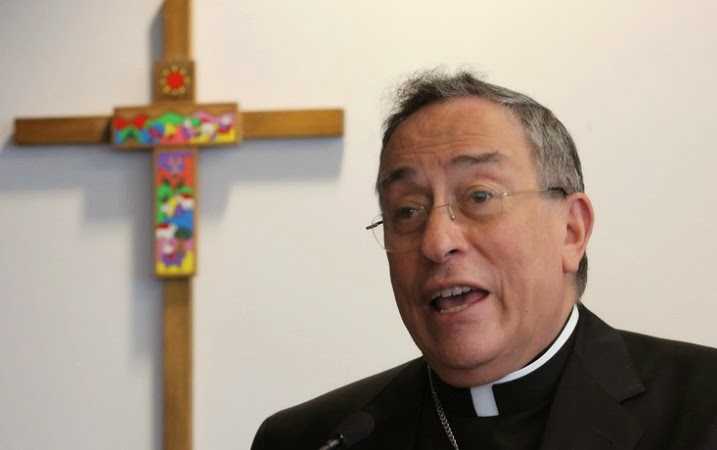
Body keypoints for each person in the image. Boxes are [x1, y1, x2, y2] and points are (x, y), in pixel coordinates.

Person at [251, 69, 717, 449]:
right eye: (407, 211)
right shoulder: (307, 440)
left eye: (479, 196)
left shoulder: (703, 407)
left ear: (571, 232)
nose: (437, 242)